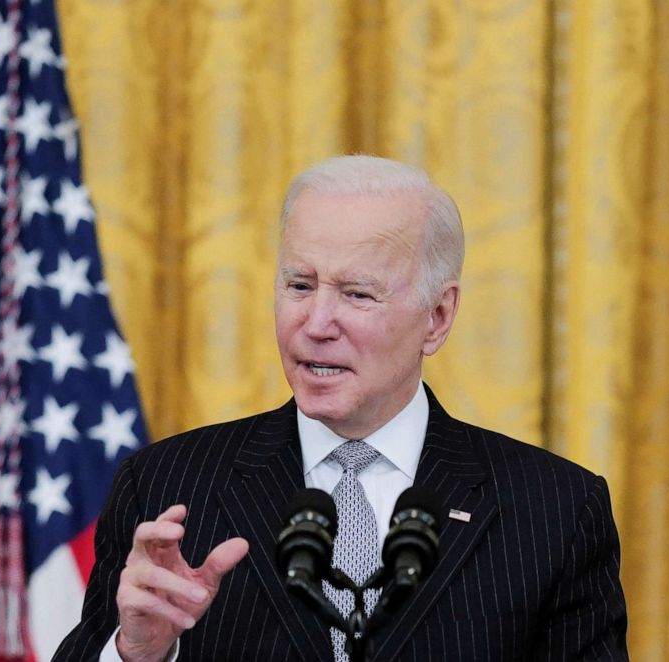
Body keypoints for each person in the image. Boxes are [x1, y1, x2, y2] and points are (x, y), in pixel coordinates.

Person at [53, 155, 628, 661]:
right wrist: (136, 654)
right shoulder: (165, 488)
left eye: (357, 294)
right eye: (300, 285)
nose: (316, 323)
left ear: (438, 316)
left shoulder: (555, 512)